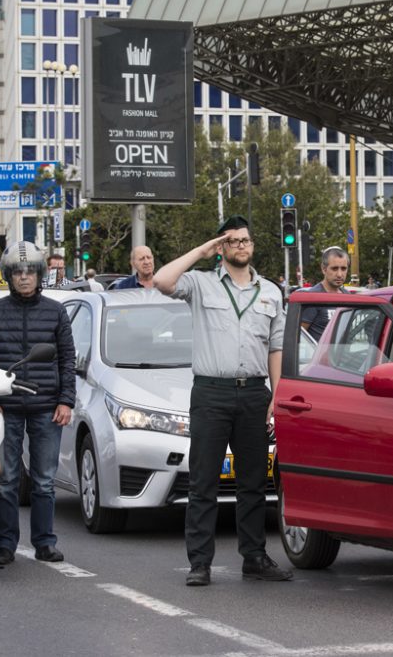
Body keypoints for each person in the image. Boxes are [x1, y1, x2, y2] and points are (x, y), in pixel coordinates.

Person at [154, 216, 291, 586]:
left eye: (246, 240)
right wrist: (202, 250)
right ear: (222, 247)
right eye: (233, 242)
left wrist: (275, 396)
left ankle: (254, 557)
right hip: (211, 392)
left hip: (253, 392)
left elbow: (276, 347)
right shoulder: (201, 284)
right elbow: (162, 280)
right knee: (204, 483)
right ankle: (199, 563)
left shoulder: (270, 292)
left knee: (252, 483)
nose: (241, 246)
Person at [0, 241, 75, 565]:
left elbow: (66, 360)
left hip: (47, 406)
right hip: (6, 408)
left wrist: (65, 401)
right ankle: (5, 545)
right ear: (8, 275)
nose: (23, 277)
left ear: (40, 274)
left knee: (44, 482)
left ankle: (45, 543)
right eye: (17, 272)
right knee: (6, 481)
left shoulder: (56, 311)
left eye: (30, 271)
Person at [301, 246, 351, 341]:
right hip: (318, 355)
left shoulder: (347, 296)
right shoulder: (313, 297)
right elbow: (300, 336)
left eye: (343, 269)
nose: (340, 274)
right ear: (324, 269)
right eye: (334, 269)